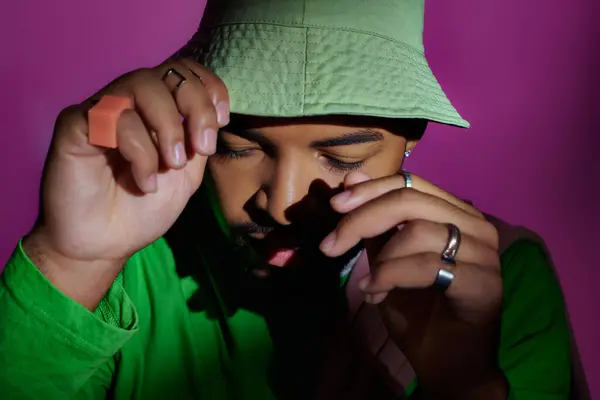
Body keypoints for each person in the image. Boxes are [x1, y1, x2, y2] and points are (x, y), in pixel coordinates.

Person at [0, 0, 572, 399]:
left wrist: (466, 384)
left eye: (341, 158)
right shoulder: (125, 258)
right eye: (235, 147)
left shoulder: (499, 280)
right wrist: (69, 265)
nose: (281, 203)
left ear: (412, 136)